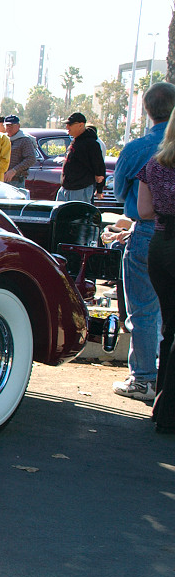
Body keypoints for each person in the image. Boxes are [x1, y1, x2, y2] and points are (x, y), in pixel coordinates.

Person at [110, 82, 175, 402]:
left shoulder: (139, 150)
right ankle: (166, 381)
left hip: (149, 233)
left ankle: (145, 379)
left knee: (144, 311)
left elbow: (122, 193)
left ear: (147, 110)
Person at [136, 119, 175, 432]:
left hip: (160, 245)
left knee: (169, 328)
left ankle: (163, 409)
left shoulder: (154, 165)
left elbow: (144, 211)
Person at [58, 112, 105, 202]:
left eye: (70, 124)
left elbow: (99, 167)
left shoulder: (91, 144)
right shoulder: (76, 141)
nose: (67, 127)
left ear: (81, 125)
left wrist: (99, 189)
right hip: (66, 188)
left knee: (78, 216)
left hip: (80, 190)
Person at [3, 115, 37, 189]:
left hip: (16, 181)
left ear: (18, 126)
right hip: (2, 179)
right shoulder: (3, 139)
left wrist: (14, 170)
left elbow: (31, 159)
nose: (9, 128)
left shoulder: (24, 140)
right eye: (7, 125)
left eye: (11, 125)